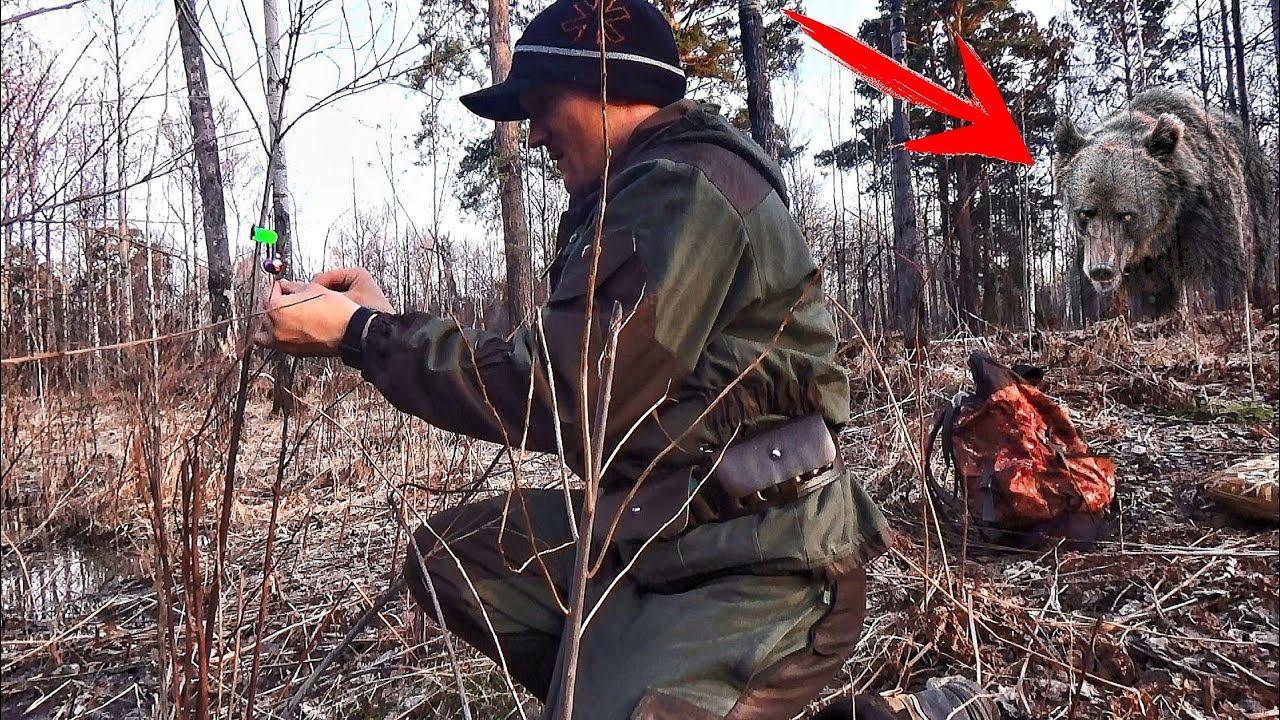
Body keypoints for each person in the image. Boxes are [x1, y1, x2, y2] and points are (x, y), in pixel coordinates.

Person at [256, 1, 998, 718]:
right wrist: (383, 321)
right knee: (455, 555)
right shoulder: (635, 192)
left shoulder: (683, 190)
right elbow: (561, 358)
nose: (534, 132)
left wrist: (363, 335)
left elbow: (562, 390)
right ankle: (629, 686)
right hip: (654, 542)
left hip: (763, 566)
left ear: (608, 84)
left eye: (543, 103)